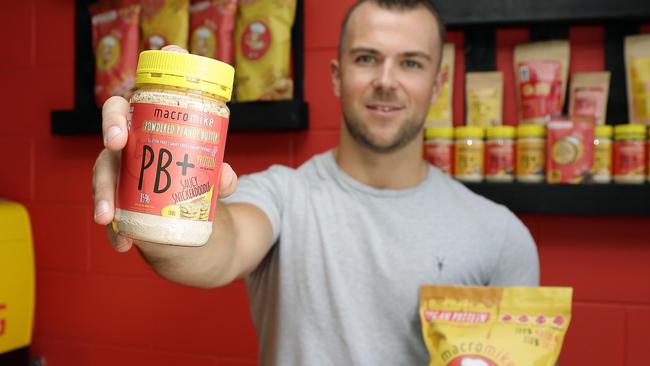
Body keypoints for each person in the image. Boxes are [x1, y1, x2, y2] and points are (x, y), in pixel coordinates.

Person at [92, 0, 539, 364]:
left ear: (438, 84)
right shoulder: (283, 196)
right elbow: (214, 249)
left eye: (411, 63)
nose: (386, 81)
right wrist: (148, 183)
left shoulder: (500, 237)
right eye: (367, 59)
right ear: (337, 76)